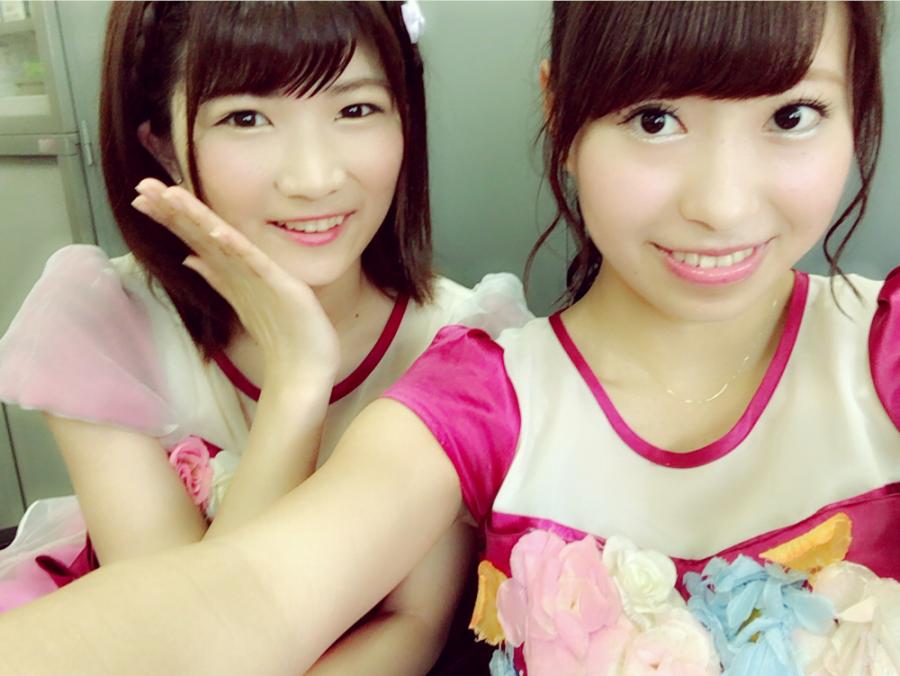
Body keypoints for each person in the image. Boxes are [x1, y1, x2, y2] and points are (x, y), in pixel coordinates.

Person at [1, 2, 897, 675]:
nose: (722, 204)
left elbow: (405, 626)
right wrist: (301, 375)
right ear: (560, 114)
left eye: (791, 115)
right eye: (654, 119)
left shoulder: (883, 342)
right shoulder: (475, 396)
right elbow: (244, 597)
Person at [0, 2, 529, 674]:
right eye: (245, 118)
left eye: (356, 108)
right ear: (162, 144)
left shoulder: (459, 345)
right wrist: (297, 379)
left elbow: (410, 626)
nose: (314, 178)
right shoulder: (104, 323)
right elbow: (179, 644)